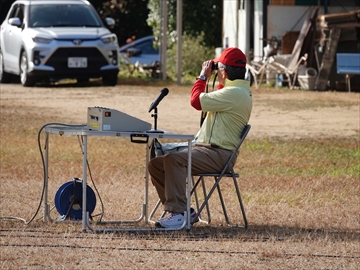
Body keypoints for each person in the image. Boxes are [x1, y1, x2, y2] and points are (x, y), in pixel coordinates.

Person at [148, 47, 253, 228]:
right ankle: (184, 211)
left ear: (224, 72)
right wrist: (218, 73)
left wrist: (203, 76)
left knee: (174, 160)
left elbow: (196, 101)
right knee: (156, 164)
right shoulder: (235, 91)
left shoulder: (234, 93)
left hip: (219, 154)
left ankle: (179, 214)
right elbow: (216, 92)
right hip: (208, 150)